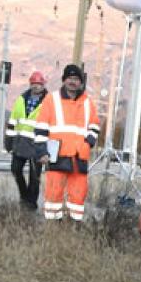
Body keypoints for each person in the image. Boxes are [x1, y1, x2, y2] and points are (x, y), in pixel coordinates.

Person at [33, 64, 101, 222]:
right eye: (70, 78)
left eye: (76, 79)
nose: (73, 82)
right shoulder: (52, 99)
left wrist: (88, 142)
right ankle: (52, 227)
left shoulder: (87, 102)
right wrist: (42, 151)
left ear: (81, 82)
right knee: (53, 193)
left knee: (78, 195)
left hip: (79, 155)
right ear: (64, 80)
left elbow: (95, 125)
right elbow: (41, 127)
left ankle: (74, 227)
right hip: (56, 155)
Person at [5, 71, 48, 208]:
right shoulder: (20, 100)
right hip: (20, 142)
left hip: (38, 145)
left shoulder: (49, 103)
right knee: (15, 169)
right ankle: (24, 196)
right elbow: (12, 122)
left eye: (39, 84)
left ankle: (31, 204)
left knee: (34, 177)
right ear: (30, 84)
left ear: (43, 85)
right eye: (34, 84)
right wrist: (8, 141)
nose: (36, 86)